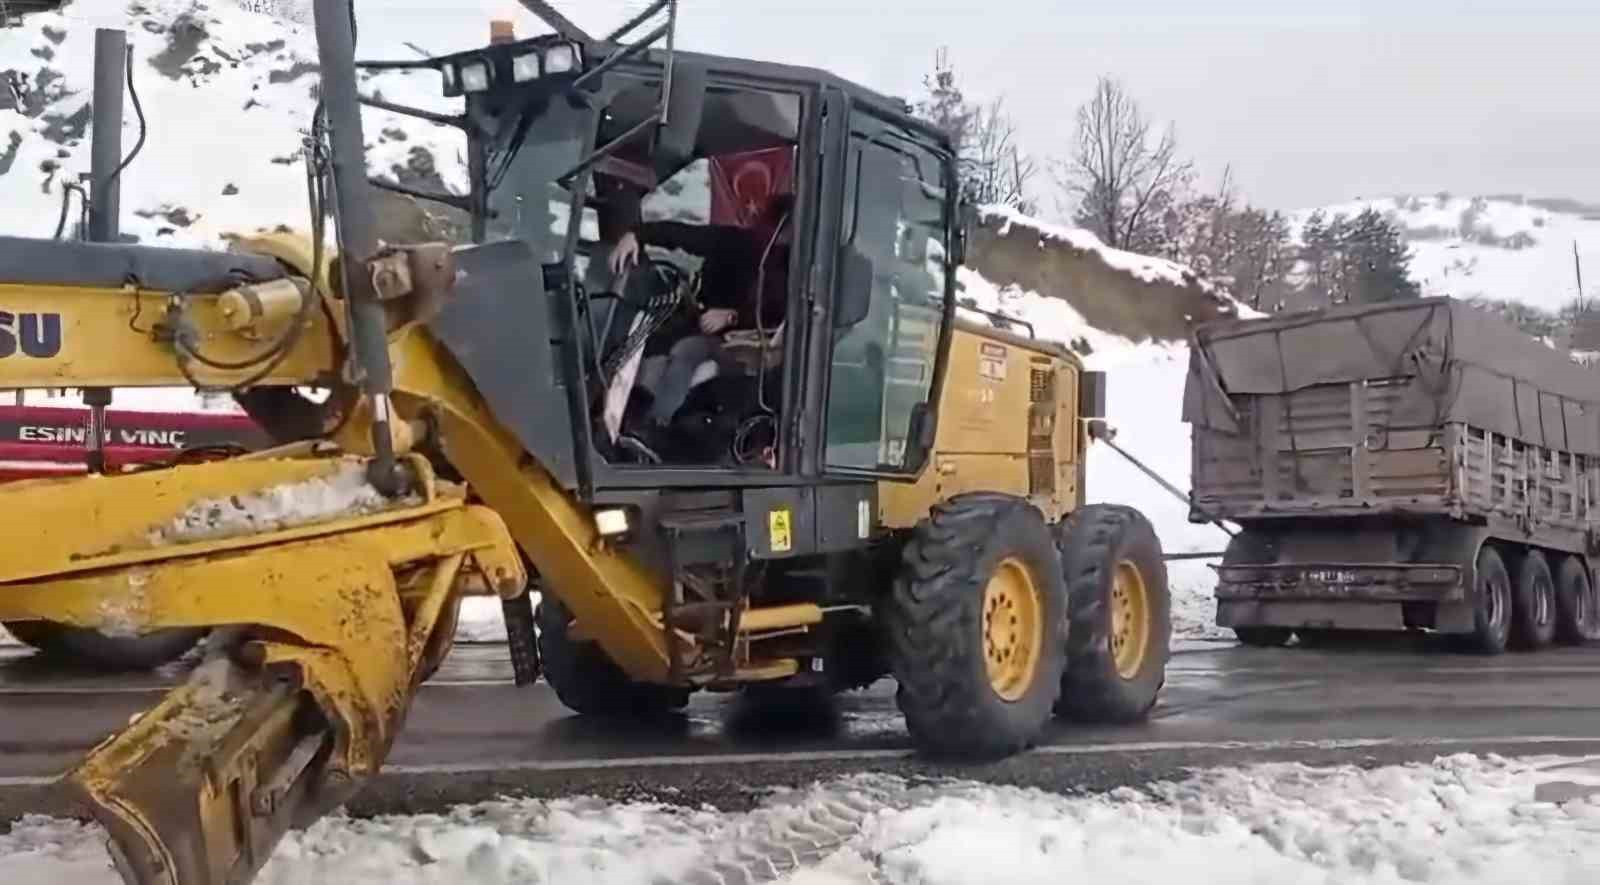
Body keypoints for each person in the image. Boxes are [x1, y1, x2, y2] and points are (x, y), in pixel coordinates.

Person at [608, 193, 793, 431]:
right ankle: (629, 415)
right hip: (697, 325)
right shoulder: (736, 242)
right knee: (646, 346)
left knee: (687, 351)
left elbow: (779, 314)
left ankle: (657, 427)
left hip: (748, 350)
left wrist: (732, 315)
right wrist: (637, 234)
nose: (781, 240)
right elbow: (684, 235)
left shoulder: (795, 269)